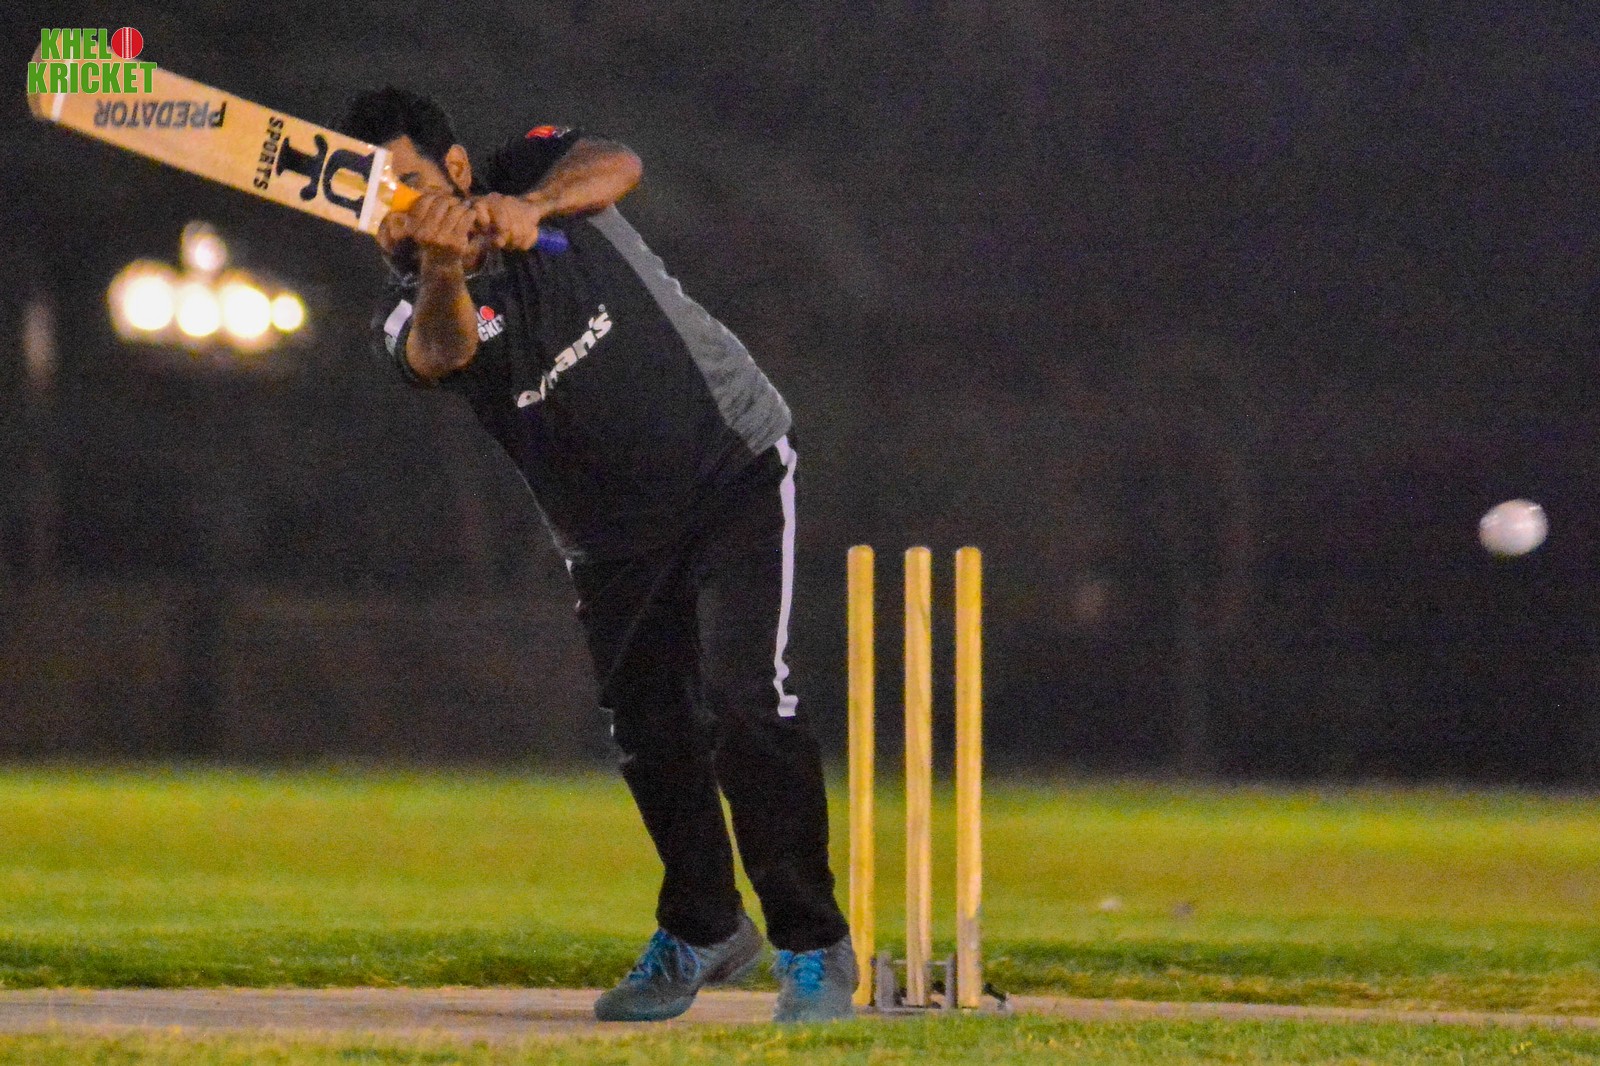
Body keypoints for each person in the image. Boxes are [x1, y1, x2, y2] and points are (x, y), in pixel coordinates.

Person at [340, 88, 856, 1024]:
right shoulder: (406, 302)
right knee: (652, 734)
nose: (396, 208)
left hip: (730, 464)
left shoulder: (533, 165)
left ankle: (813, 946)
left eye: (408, 183)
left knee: (748, 703)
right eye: (375, 196)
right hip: (609, 539)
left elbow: (621, 164)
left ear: (456, 169)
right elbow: (440, 353)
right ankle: (704, 926)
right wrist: (448, 265)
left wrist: (531, 207)